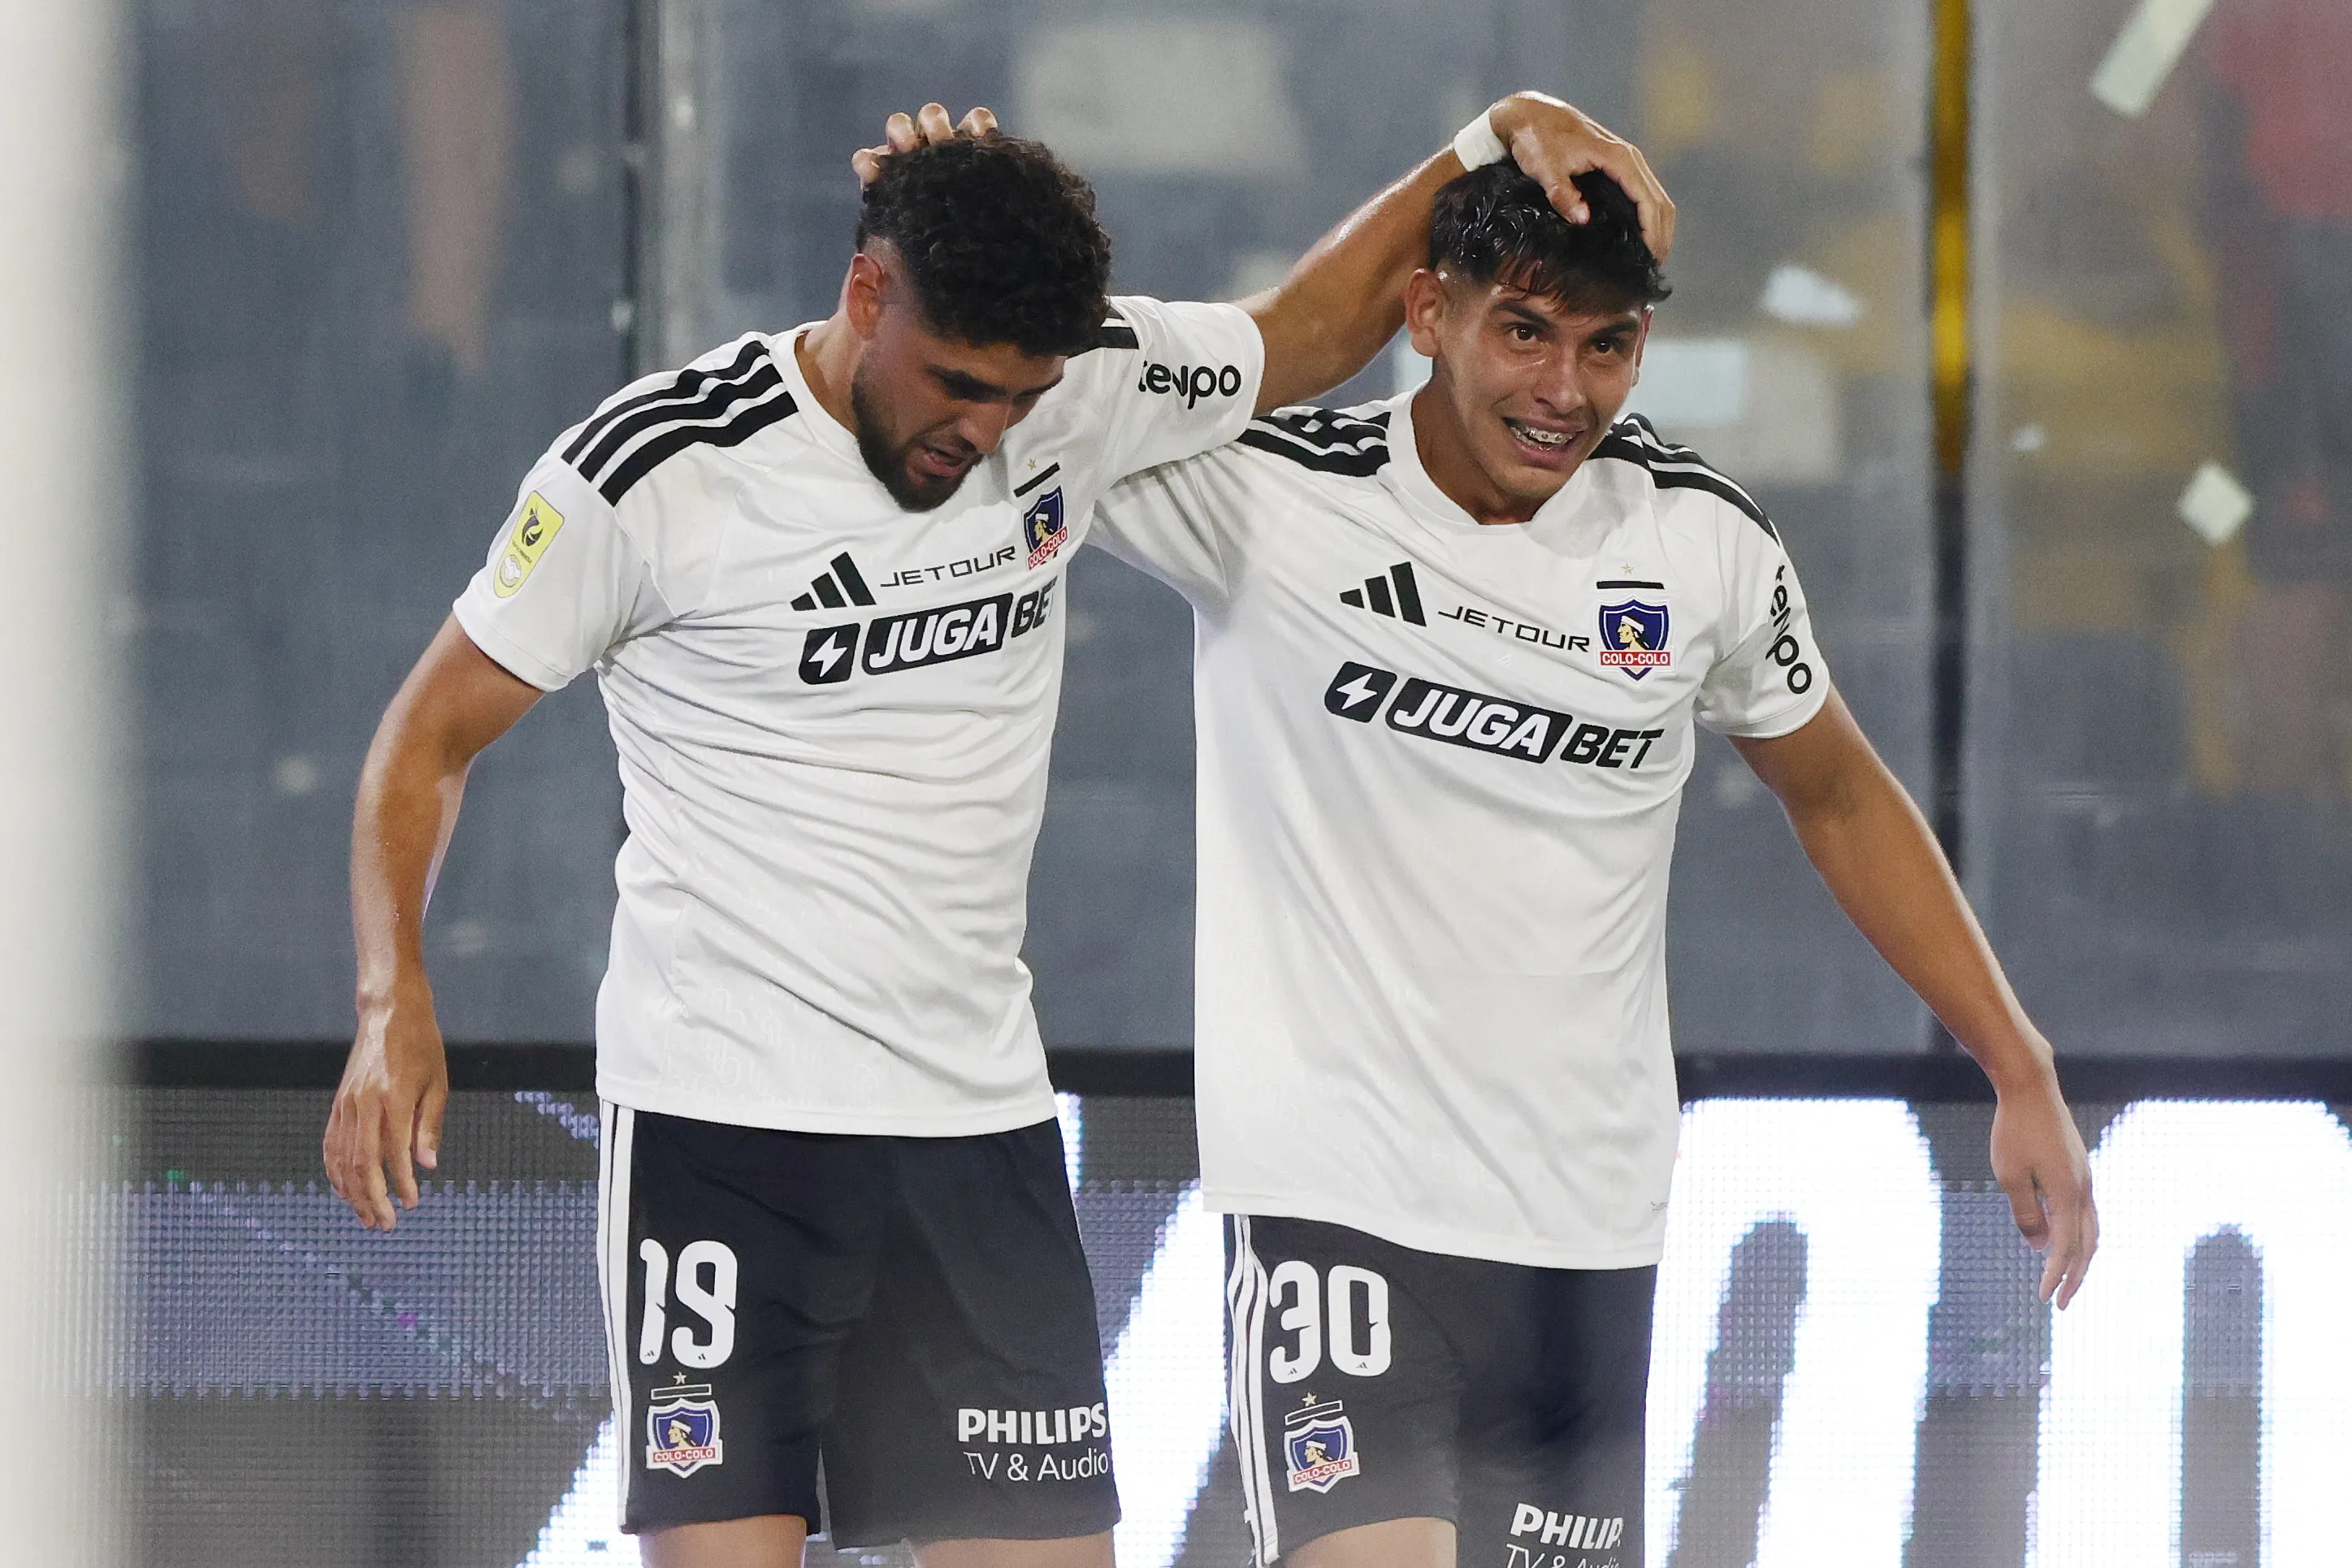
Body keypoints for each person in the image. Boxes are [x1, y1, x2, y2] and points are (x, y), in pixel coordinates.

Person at [321, 97, 1671, 1568]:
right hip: (724, 1132)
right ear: (865, 293)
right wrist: (395, 993)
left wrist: (1481, 142)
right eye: (957, 384)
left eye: (1016, 400)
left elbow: (1299, 330)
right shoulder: (659, 471)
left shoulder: (1074, 390)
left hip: (977, 1137)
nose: (982, 433)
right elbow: (427, 736)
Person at [1093, 158, 2099, 1568]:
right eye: (1524, 330)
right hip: (1339, 1203)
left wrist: (2015, 1061)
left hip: (1585, 1227)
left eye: (1606, 344)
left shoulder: (1699, 542)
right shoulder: (1267, 497)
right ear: (1427, 313)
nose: (1564, 388)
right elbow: (1054, 387)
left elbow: (1838, 795)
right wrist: (1469, 144)